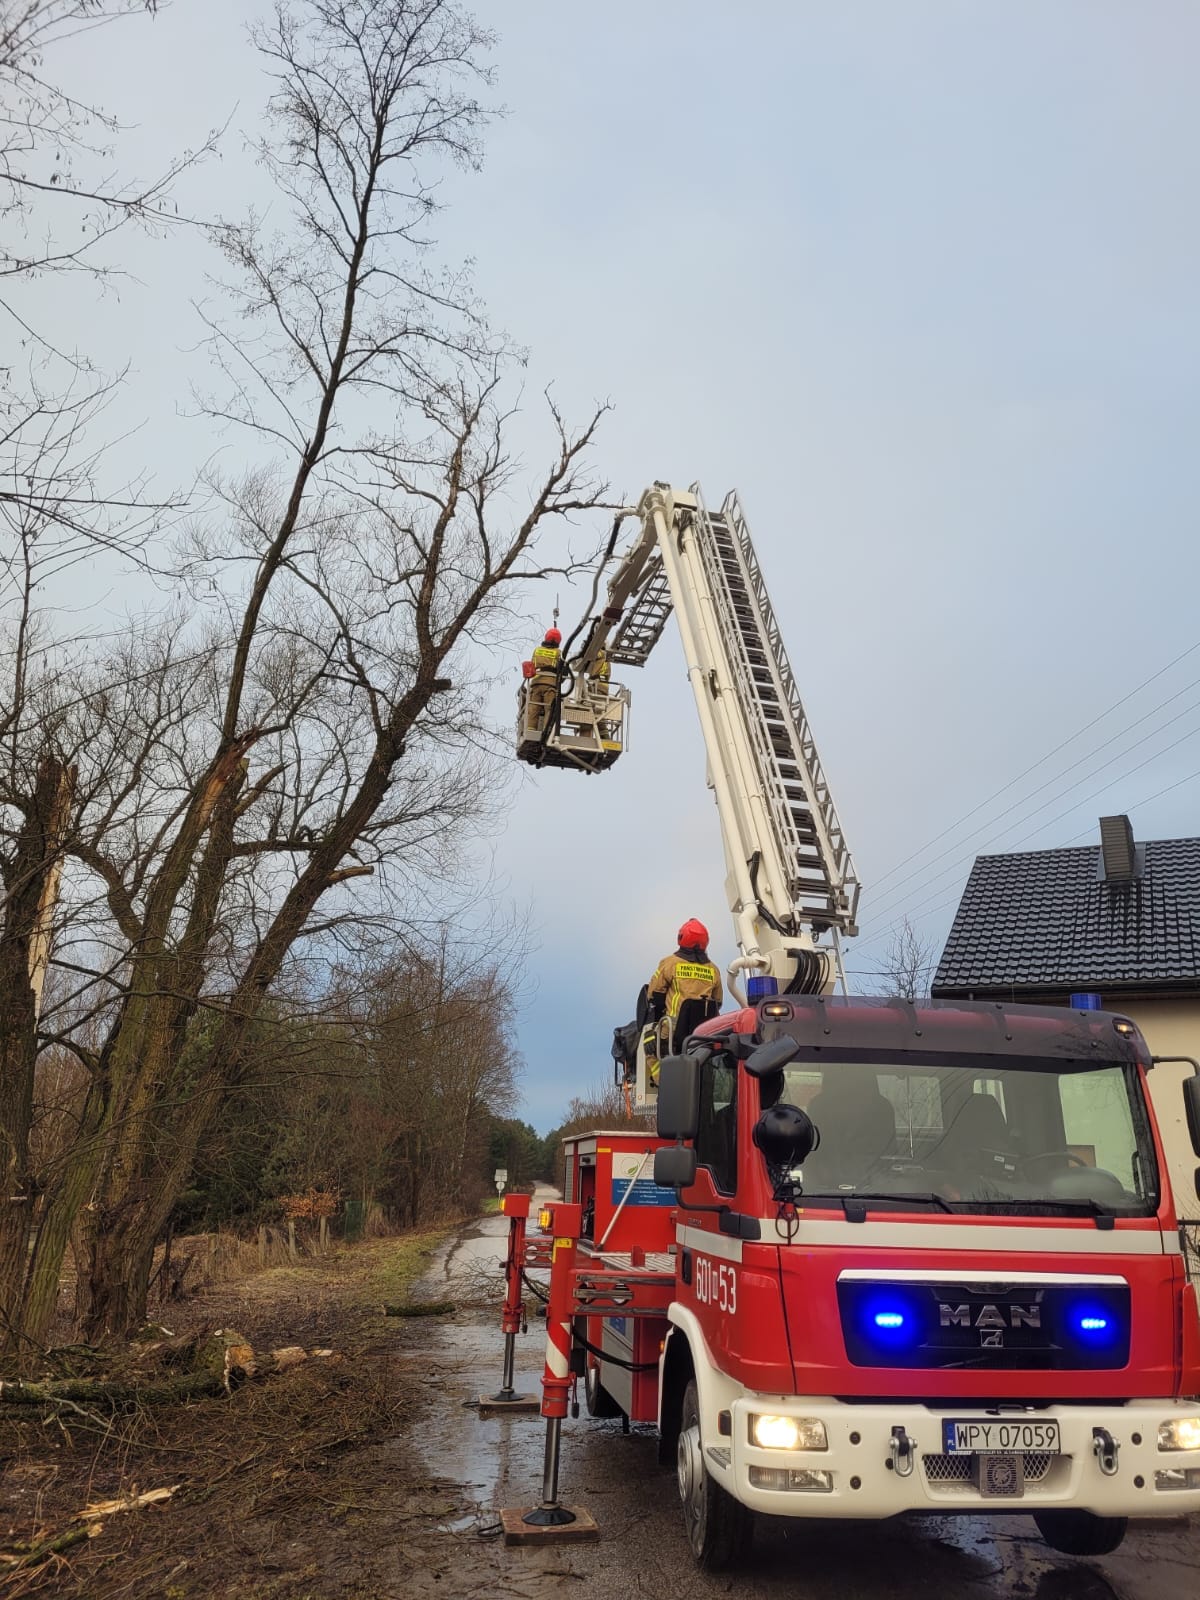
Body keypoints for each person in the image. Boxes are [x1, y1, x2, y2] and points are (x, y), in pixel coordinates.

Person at [644, 919, 723, 1084]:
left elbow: (654, 995)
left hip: (672, 1030)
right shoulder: (714, 970)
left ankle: (663, 1083)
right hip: (704, 1035)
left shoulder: (669, 963)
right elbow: (718, 1002)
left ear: (681, 938)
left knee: (648, 1046)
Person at [526, 625, 561, 733]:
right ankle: (547, 732)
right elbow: (562, 669)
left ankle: (530, 730)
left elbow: (532, 664)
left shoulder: (537, 650)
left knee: (534, 708)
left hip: (536, 682)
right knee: (549, 709)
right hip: (550, 683)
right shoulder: (558, 652)